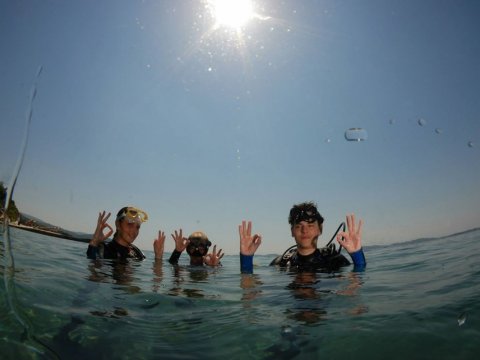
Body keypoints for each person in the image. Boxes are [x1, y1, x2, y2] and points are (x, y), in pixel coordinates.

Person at [239, 202, 366, 273]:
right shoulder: (281, 263)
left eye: (310, 225)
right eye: (299, 226)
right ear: (292, 231)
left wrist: (357, 255)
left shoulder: (335, 261)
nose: (304, 230)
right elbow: (250, 288)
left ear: (320, 229)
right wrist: (246, 258)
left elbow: (357, 285)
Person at [87, 206, 153, 260]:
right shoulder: (104, 250)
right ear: (118, 224)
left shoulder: (137, 252)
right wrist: (94, 242)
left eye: (138, 227)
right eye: (130, 224)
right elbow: (93, 270)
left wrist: (158, 256)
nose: (134, 231)